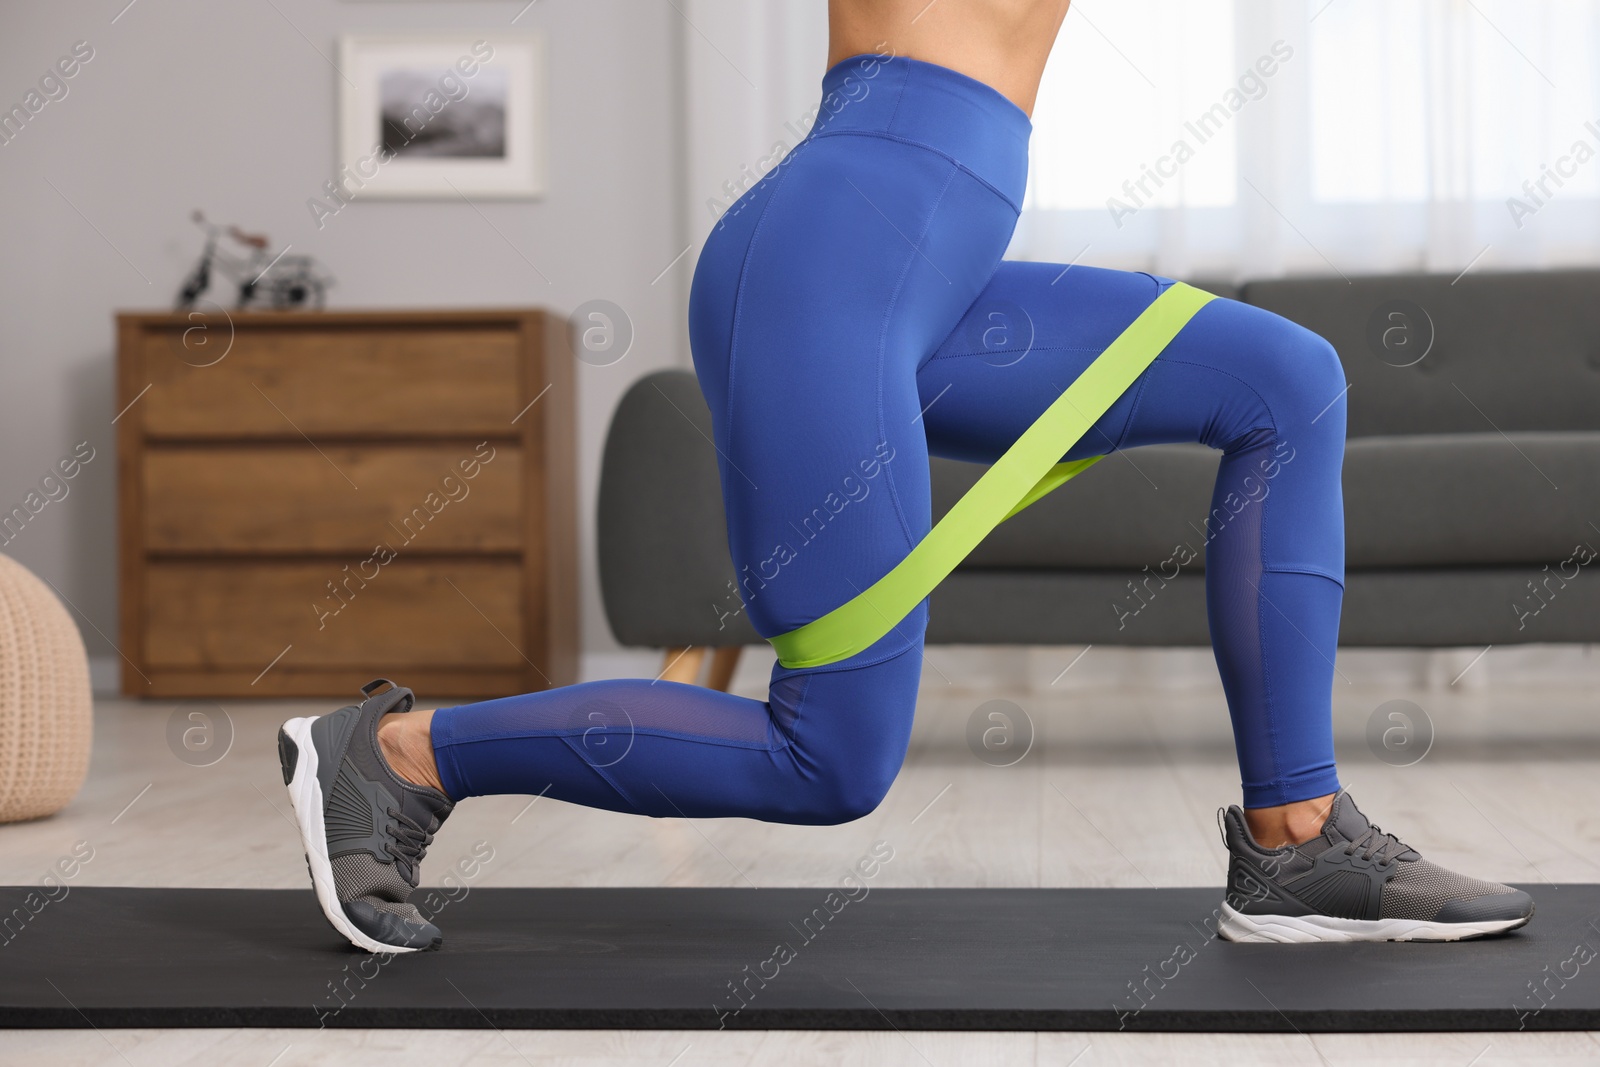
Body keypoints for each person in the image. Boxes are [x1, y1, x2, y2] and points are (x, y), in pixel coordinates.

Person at [277, 0, 1533, 952]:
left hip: (915, 267)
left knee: (1284, 381)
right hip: (827, 269)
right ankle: (398, 752)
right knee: (828, 760)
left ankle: (1296, 838)